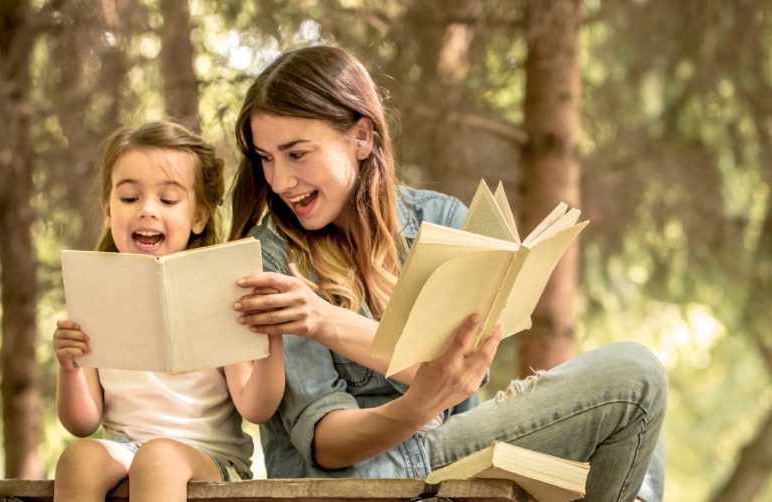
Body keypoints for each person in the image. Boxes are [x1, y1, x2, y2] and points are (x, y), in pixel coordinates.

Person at [228, 46, 667, 502]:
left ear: (361, 138)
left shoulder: (439, 219)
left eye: (296, 154)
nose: (279, 181)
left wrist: (326, 321)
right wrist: (418, 405)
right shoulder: (271, 256)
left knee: (639, 432)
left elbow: (465, 374)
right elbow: (325, 443)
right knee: (635, 378)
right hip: (367, 480)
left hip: (452, 457)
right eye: (266, 158)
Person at [52, 122, 284, 502]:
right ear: (108, 211)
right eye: (129, 198)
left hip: (212, 460)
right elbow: (82, 423)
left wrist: (271, 337)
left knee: (158, 458)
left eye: (168, 200)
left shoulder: (222, 293)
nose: (147, 210)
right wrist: (68, 368)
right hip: (125, 450)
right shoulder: (96, 294)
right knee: (79, 458)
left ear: (199, 217)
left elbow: (255, 408)